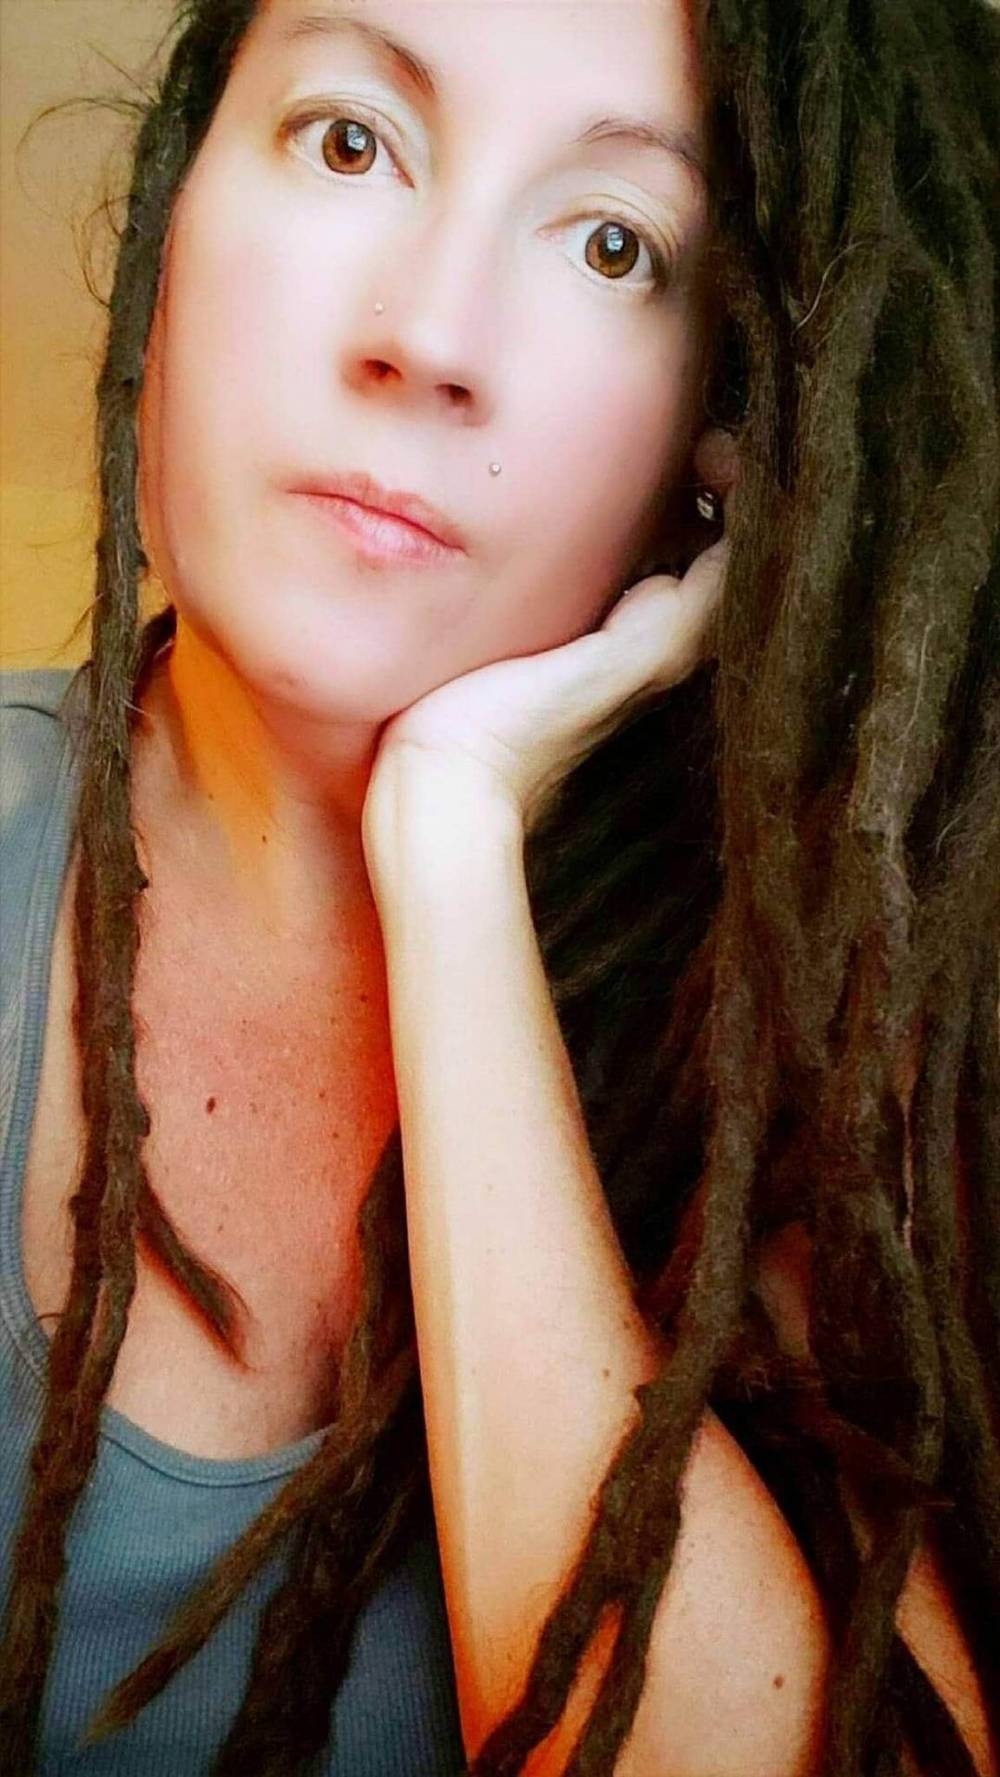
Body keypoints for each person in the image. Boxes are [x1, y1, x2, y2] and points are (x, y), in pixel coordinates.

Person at [0, 0, 996, 1772]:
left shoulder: (829, 1071)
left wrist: (450, 850)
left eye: (613, 244)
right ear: (173, 214)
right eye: (350, 139)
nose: (433, 334)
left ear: (724, 431)